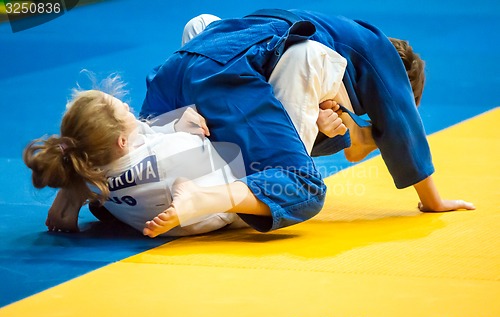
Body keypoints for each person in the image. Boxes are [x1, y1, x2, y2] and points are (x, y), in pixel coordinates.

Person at [139, 9, 474, 237]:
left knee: (203, 24)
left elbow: (345, 146)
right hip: (234, 79)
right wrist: (433, 202)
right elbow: (404, 128)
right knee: (302, 184)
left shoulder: (325, 30)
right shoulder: (374, 53)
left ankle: (101, 181)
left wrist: (334, 126)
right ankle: (233, 198)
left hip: (183, 71)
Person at [23, 85, 259, 237]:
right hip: (225, 211)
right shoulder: (170, 151)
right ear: (122, 142)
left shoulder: (90, 174)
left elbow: (143, 136)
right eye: (123, 110)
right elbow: (210, 150)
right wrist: (184, 129)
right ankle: (193, 196)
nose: (127, 106)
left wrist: (70, 192)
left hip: (166, 221)